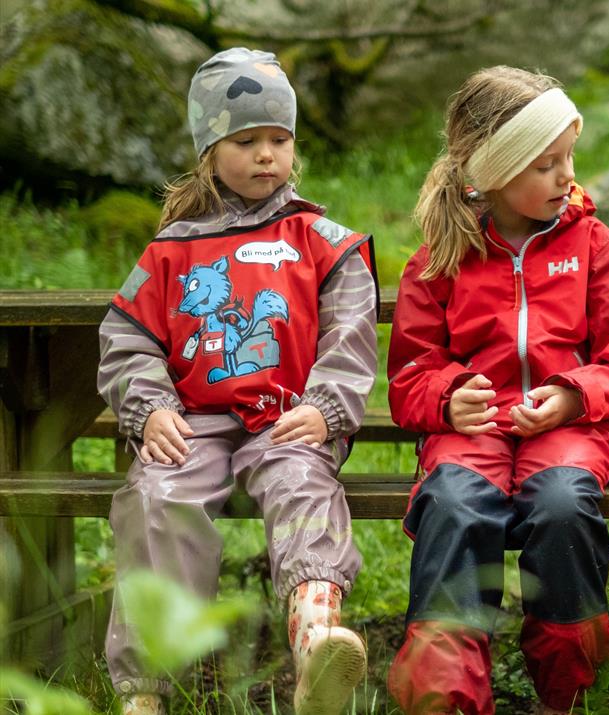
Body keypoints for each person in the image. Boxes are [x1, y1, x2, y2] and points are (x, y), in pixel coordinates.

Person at [98, 47, 378, 715]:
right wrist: (150, 407)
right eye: (246, 140)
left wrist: (326, 407)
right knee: (156, 498)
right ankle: (146, 687)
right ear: (209, 151)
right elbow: (127, 336)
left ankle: (316, 640)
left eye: (279, 140)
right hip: (193, 423)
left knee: (303, 487)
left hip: (288, 420)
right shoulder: (170, 249)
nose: (266, 155)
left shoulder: (320, 239)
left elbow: (349, 332)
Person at [384, 66, 609, 714]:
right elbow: (411, 371)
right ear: (495, 172)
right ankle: (444, 694)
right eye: (545, 163)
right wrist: (449, 396)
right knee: (452, 502)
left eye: (568, 157)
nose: (567, 176)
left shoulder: (591, 242)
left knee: (562, 504)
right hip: (472, 433)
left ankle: (568, 694)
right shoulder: (442, 254)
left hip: (570, 428)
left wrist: (572, 394)